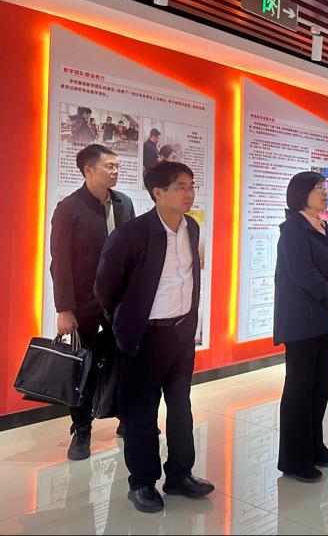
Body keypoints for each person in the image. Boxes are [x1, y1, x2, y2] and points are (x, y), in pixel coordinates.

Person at [95, 162, 213, 513]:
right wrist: (124, 323)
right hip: (144, 337)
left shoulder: (192, 227)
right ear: (157, 193)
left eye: (191, 185)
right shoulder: (131, 234)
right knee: (141, 413)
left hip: (181, 335)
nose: (189, 193)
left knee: (180, 407)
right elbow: (105, 287)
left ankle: (180, 474)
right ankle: (142, 482)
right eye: (181, 187)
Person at [50, 144, 135, 461]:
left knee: (125, 360)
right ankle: (82, 429)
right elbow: (60, 262)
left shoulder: (124, 203)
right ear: (88, 170)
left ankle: (126, 418)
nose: (115, 171)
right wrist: (65, 308)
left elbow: (132, 252)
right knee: (82, 366)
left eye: (117, 166)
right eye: (109, 166)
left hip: (120, 302)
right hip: (84, 303)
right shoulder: (69, 208)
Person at [274, 171, 328, 483]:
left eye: (325, 187)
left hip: (326, 319)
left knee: (320, 386)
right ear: (301, 194)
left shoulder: (325, 229)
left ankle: (314, 446)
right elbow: (303, 274)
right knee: (299, 390)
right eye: (318, 188)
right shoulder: (293, 231)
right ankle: (295, 459)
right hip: (302, 321)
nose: (325, 192)